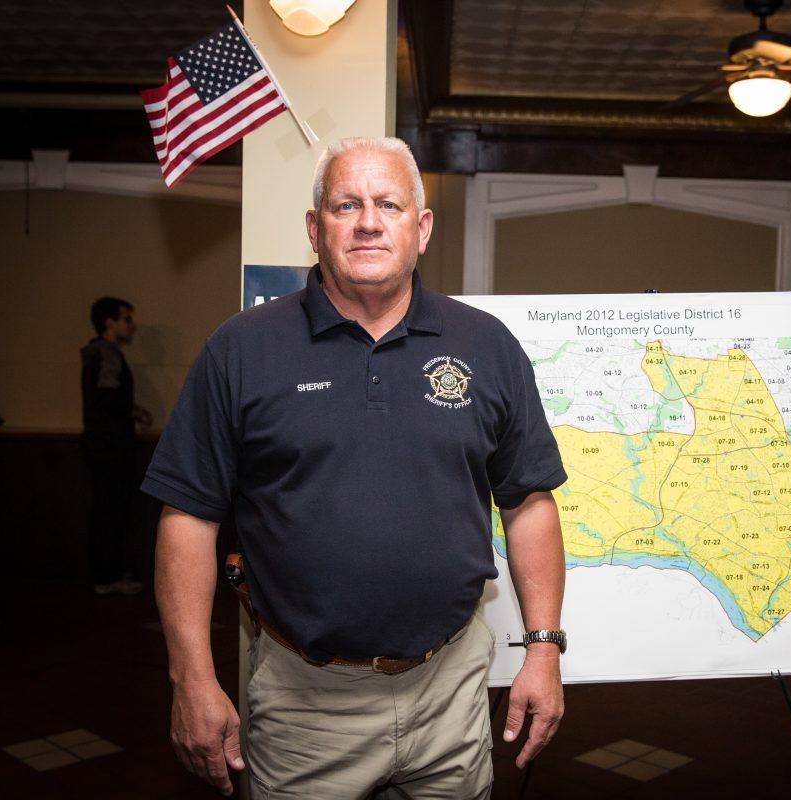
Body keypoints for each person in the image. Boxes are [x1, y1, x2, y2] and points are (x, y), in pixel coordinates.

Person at [142, 137, 568, 798]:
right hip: (305, 704)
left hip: (451, 690)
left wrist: (543, 649)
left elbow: (528, 502)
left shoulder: (486, 345)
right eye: (346, 205)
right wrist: (191, 678)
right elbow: (189, 518)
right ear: (315, 229)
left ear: (420, 228)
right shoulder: (240, 350)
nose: (369, 221)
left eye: (389, 204)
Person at [81, 296, 152, 595]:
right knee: (111, 513)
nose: (131, 325)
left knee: (107, 512)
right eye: (126, 319)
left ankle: (107, 575)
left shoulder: (99, 354)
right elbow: (107, 399)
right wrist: (131, 411)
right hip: (111, 449)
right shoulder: (106, 354)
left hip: (104, 447)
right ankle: (107, 577)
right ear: (109, 322)